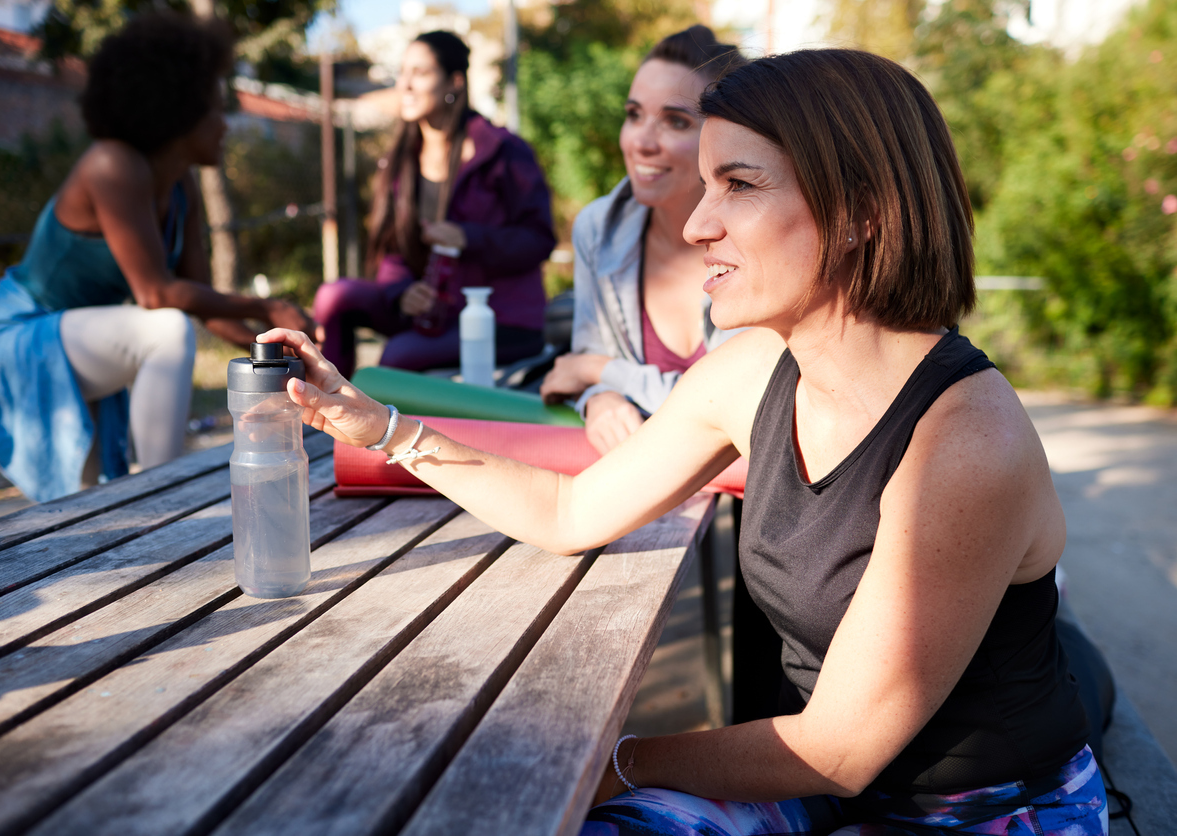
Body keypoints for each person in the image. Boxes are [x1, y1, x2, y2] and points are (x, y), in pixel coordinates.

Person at [263, 48, 1106, 835]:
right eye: (705, 185)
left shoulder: (964, 440)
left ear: (860, 214)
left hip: (985, 811)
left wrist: (598, 762)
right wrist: (385, 430)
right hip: (821, 791)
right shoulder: (752, 373)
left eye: (737, 184)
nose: (698, 224)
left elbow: (837, 749)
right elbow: (569, 509)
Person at [0, 13, 316, 503]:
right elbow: (156, 294)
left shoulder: (182, 185)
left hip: (82, 338)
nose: (225, 122)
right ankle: (161, 494)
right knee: (164, 328)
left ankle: (142, 513)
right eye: (215, 106)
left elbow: (203, 304)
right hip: (21, 333)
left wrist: (276, 341)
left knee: (83, 507)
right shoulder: (112, 164)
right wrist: (267, 305)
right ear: (178, 109)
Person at [540, 25, 747, 454]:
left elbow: (734, 407)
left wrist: (601, 372)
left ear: (726, 138)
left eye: (675, 121)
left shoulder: (754, 237)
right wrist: (600, 397)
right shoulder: (598, 227)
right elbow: (581, 366)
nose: (641, 141)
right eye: (634, 114)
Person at [311, 30, 554, 378]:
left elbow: (539, 239)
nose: (404, 85)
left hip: (500, 319)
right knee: (334, 296)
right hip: (430, 312)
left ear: (454, 81)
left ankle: (366, 426)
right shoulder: (400, 161)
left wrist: (468, 238)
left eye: (420, 73)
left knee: (397, 356)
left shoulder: (503, 152)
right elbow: (392, 251)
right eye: (403, 72)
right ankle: (327, 408)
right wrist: (400, 292)